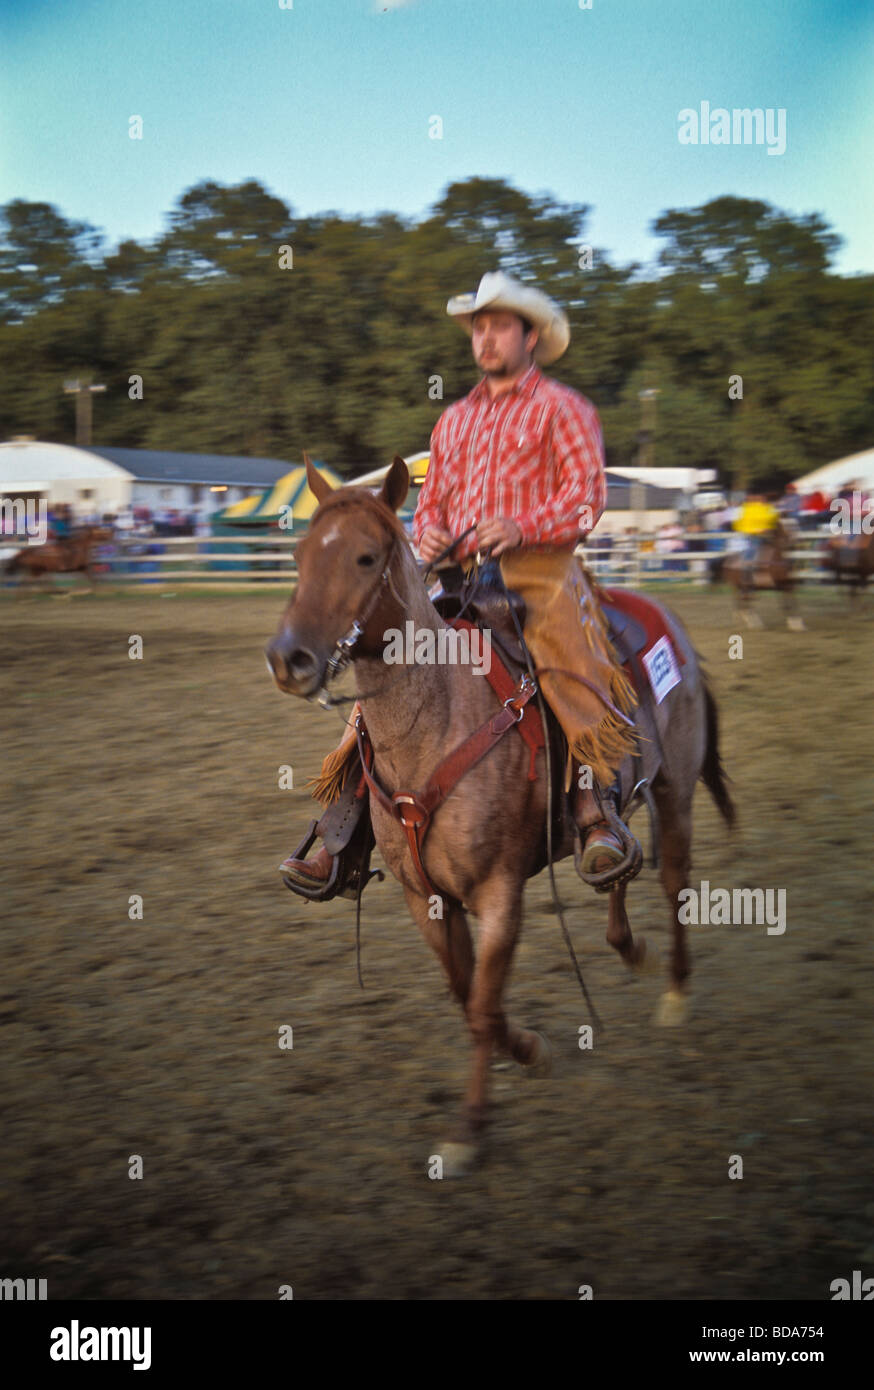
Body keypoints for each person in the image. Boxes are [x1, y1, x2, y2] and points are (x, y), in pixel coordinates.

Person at [279, 270, 641, 897]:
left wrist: (522, 526)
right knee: (392, 661)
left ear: (531, 336)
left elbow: (587, 499)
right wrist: (431, 539)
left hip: (541, 569)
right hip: (457, 574)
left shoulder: (566, 409)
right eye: (479, 326)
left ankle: (593, 811)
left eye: (499, 325)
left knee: (562, 656)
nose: (486, 337)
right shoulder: (453, 421)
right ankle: (347, 830)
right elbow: (437, 503)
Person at [732, 489, 781, 571]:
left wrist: (767, 527)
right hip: (752, 534)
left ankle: (753, 567)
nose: (756, 499)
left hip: (763, 533)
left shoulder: (765, 507)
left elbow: (773, 518)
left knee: (760, 548)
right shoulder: (746, 508)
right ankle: (748, 567)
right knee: (753, 548)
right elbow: (739, 522)